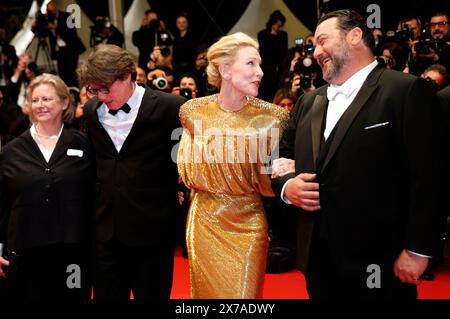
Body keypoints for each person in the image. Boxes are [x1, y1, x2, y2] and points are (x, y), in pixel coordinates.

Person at [272, 9, 449, 300]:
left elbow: (430, 177)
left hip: (382, 261)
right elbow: (280, 156)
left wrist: (418, 249)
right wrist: (287, 187)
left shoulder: (405, 91)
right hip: (317, 260)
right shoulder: (308, 102)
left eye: (322, 41)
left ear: (355, 36)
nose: (315, 52)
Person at [177, 32, 289, 298]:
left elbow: (281, 170)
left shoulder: (275, 118)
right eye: (251, 63)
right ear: (225, 69)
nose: (260, 72)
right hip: (204, 220)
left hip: (249, 221)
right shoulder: (192, 112)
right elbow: (183, 164)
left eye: (259, 64)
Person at [76, 44, 185, 300]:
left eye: (106, 88)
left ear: (128, 76)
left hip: (152, 232)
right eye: (94, 90)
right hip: (105, 232)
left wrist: (181, 188)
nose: (101, 96)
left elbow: (187, 159)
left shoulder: (172, 107)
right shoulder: (92, 112)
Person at [0, 73, 95, 300]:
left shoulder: (84, 145)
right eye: (35, 100)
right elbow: (2, 204)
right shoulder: (11, 151)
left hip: (74, 253)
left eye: (47, 99)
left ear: (64, 102)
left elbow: (94, 197)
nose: (40, 105)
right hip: (25, 252)